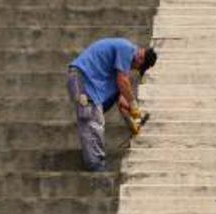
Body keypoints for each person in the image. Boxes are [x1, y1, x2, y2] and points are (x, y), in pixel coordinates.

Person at [67, 38, 158, 172]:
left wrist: (132, 121)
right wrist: (134, 105)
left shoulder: (120, 60)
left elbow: (121, 98)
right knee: (93, 121)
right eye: (137, 67)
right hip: (83, 79)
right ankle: (96, 166)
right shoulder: (127, 50)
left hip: (91, 83)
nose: (133, 69)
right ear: (140, 59)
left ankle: (96, 163)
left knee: (95, 118)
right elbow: (123, 82)